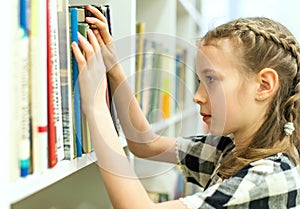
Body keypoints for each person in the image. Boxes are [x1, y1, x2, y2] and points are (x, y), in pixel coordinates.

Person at [71, 5, 300, 209]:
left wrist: (96, 106)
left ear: (263, 85)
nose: (197, 97)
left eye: (211, 80)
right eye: (200, 81)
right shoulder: (229, 149)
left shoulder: (269, 176)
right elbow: (145, 144)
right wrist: (113, 68)